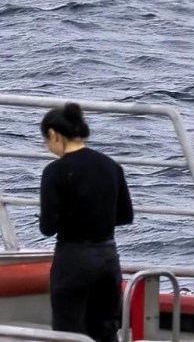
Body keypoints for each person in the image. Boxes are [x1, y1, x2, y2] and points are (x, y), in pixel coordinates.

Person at [38, 101, 134, 342]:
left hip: (73, 259)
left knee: (68, 331)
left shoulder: (54, 171)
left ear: (54, 134)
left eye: (46, 141)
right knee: (106, 329)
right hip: (107, 257)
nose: (47, 147)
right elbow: (125, 215)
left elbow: (47, 227)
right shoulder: (111, 166)